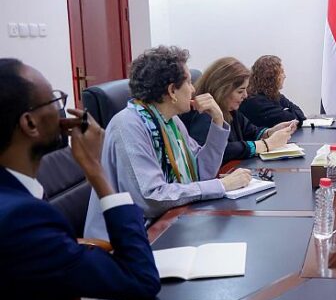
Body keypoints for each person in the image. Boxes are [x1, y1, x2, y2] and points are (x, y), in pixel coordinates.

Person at [0, 59, 160, 300]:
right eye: (55, 100)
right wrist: (97, 171)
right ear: (30, 123)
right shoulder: (20, 219)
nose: (63, 110)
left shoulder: (14, 193)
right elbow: (140, 280)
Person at [84, 46, 252, 239]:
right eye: (189, 82)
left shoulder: (171, 121)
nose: (193, 89)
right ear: (172, 91)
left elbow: (201, 172)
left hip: (168, 222)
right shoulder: (128, 125)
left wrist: (217, 121)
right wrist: (221, 186)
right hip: (129, 239)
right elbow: (152, 197)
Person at [180, 57, 294, 165]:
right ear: (222, 90)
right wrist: (265, 144)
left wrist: (269, 132)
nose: (245, 95)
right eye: (240, 91)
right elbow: (219, 151)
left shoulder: (230, 109)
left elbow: (251, 131)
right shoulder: (203, 114)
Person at [240, 55, 306, 129]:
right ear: (271, 77)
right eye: (281, 72)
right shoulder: (255, 101)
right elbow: (290, 119)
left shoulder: (274, 95)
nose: (284, 76)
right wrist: (288, 111)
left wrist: (288, 111)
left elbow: (300, 114)